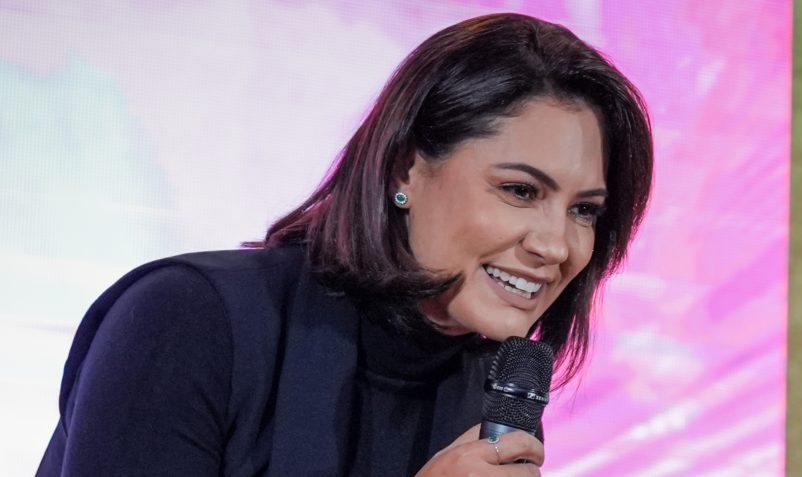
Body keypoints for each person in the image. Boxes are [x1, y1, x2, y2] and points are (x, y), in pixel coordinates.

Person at [37, 12, 652, 477]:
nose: (555, 245)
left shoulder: (494, 402)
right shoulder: (188, 319)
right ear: (405, 167)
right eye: (519, 190)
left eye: (584, 210)